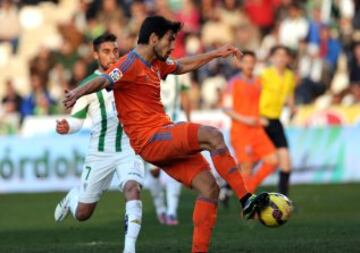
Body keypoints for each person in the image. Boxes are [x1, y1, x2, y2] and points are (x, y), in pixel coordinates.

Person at [63, 16, 270, 253]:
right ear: (153, 39)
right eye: (170, 40)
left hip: (161, 141)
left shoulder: (155, 62)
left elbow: (181, 65)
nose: (172, 46)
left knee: (210, 188)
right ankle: (246, 200)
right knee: (213, 135)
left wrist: (216, 53)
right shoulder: (129, 63)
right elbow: (104, 79)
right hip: (152, 138)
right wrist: (78, 92)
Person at [54, 33, 144, 253]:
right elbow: (77, 120)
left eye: (115, 50)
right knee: (83, 214)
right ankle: (73, 197)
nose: (112, 56)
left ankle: (129, 248)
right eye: (106, 51)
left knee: (132, 189)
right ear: (95, 55)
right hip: (100, 153)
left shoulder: (129, 75)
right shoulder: (87, 85)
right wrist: (67, 126)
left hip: (129, 148)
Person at [223, 51, 278, 193]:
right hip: (240, 131)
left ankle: (248, 190)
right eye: (246, 62)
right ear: (240, 64)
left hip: (257, 130)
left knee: (273, 161)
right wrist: (246, 119)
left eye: (252, 62)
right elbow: (226, 108)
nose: (249, 65)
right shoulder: (233, 83)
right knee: (246, 167)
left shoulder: (260, 81)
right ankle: (248, 201)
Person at [146, 73, 191, 225]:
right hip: (150, 128)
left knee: (175, 166)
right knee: (154, 171)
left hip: (173, 124)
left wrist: (189, 119)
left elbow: (185, 95)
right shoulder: (145, 69)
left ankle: (171, 212)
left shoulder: (178, 72)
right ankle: (160, 209)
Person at [260, 45, 296, 196]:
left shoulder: (289, 75)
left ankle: (283, 200)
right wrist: (257, 117)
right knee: (252, 162)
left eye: (284, 55)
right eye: (278, 55)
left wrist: (293, 107)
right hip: (261, 120)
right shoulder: (265, 75)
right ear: (272, 58)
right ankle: (228, 188)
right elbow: (254, 95)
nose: (281, 58)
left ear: (288, 59)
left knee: (286, 163)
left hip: (275, 121)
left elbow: (288, 94)